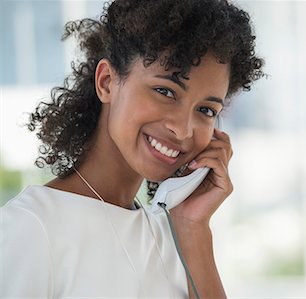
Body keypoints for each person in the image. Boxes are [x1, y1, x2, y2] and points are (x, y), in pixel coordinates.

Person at [0, 0, 264, 298]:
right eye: (165, 91)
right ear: (107, 82)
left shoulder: (175, 237)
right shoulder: (31, 228)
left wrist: (194, 229)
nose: (183, 129)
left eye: (205, 109)